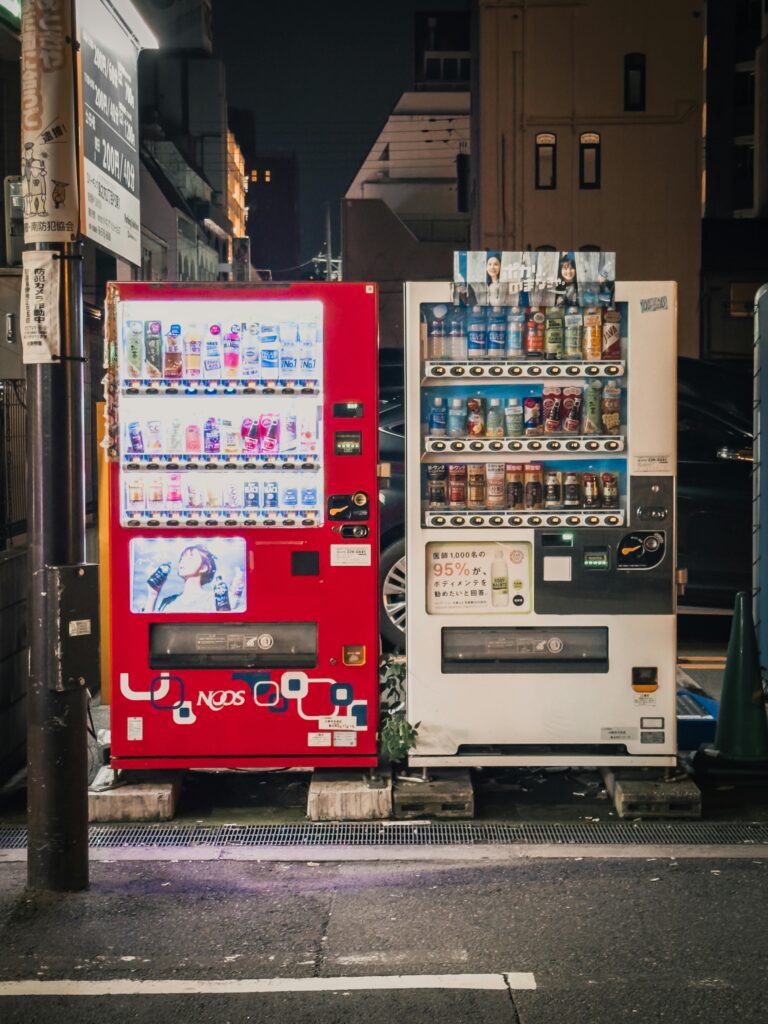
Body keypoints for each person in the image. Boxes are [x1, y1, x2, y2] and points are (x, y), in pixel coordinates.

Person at [146, 544, 219, 613]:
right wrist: (153, 595)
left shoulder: (213, 600)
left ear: (203, 568)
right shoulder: (167, 602)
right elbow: (146, 623)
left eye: (190, 557)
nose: (183, 561)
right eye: (182, 558)